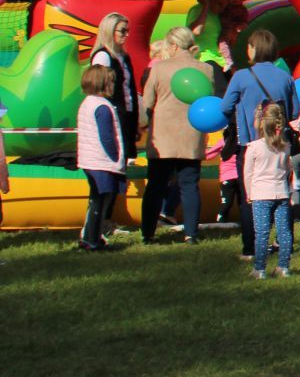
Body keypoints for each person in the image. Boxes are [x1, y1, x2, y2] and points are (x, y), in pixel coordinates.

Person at [221, 27, 299, 257]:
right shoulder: (285, 77)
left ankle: (251, 247)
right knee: (282, 191)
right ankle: (285, 243)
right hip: (279, 144)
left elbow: (225, 107)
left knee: (250, 196)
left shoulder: (242, 77)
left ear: (254, 49)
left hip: (250, 143)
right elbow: (293, 112)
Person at [137, 26, 210, 246]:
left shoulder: (160, 69)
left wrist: (141, 125)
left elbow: (148, 102)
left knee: (156, 185)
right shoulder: (206, 69)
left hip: (163, 136)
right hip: (192, 133)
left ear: (174, 46)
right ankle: (190, 234)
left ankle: (148, 233)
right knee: (189, 185)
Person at [76, 63, 125, 251]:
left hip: (91, 159)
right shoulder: (102, 106)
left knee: (96, 199)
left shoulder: (87, 103)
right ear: (103, 84)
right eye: (111, 82)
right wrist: (115, 157)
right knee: (100, 200)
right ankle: (92, 239)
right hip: (100, 161)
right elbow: (106, 136)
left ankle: (90, 236)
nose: (113, 86)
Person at [244, 103, 295, 279]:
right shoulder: (286, 146)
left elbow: (248, 173)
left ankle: (259, 269)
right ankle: (284, 267)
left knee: (262, 233)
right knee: (284, 232)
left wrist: (249, 192)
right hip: (281, 192)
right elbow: (288, 169)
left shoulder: (254, 147)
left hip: (260, 194)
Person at [88, 13, 138, 162]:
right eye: (122, 31)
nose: (126, 35)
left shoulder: (124, 56)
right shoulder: (103, 56)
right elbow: (99, 89)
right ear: (110, 31)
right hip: (114, 114)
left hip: (127, 114)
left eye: (127, 30)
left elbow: (129, 88)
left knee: (127, 157)